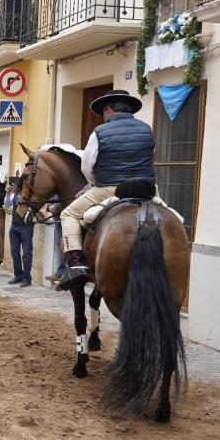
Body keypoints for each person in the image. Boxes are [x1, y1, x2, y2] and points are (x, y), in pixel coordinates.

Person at [58, 89, 155, 290]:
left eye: (103, 111)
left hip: (112, 189)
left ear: (109, 110)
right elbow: (150, 157)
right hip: (147, 189)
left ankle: (76, 265)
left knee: (68, 214)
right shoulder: (147, 129)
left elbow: (87, 166)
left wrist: (97, 182)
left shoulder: (99, 132)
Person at [4, 177, 35, 286]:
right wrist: (7, 194)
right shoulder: (16, 193)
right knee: (14, 252)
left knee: (26, 253)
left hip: (26, 226)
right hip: (14, 226)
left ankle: (27, 278)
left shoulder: (32, 194)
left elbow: (36, 208)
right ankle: (18, 275)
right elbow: (7, 205)